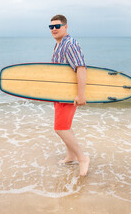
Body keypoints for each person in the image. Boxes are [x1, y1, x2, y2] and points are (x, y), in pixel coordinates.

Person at [49, 14, 90, 176]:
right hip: (59, 94)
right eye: (51, 26)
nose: (53, 29)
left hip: (68, 95)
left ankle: (82, 158)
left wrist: (81, 95)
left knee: (60, 128)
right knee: (65, 126)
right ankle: (71, 155)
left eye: (57, 26)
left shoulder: (70, 44)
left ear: (65, 27)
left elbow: (80, 68)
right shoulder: (59, 44)